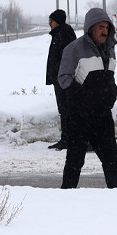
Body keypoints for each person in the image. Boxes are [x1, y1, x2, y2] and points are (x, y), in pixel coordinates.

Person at [56, 7, 117, 189]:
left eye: (107, 28)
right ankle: (66, 197)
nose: (105, 31)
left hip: (103, 116)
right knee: (75, 161)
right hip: (80, 117)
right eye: (101, 27)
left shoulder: (109, 48)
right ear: (90, 28)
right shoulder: (74, 49)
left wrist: (112, 93)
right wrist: (82, 97)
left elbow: (108, 75)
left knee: (112, 161)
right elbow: (63, 78)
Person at [45, 9, 77, 150]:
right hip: (60, 78)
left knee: (67, 110)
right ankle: (67, 139)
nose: (49, 24)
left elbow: (66, 58)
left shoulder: (63, 34)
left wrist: (60, 75)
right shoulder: (59, 33)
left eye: (51, 21)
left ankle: (68, 140)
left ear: (57, 21)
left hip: (64, 79)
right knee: (64, 110)